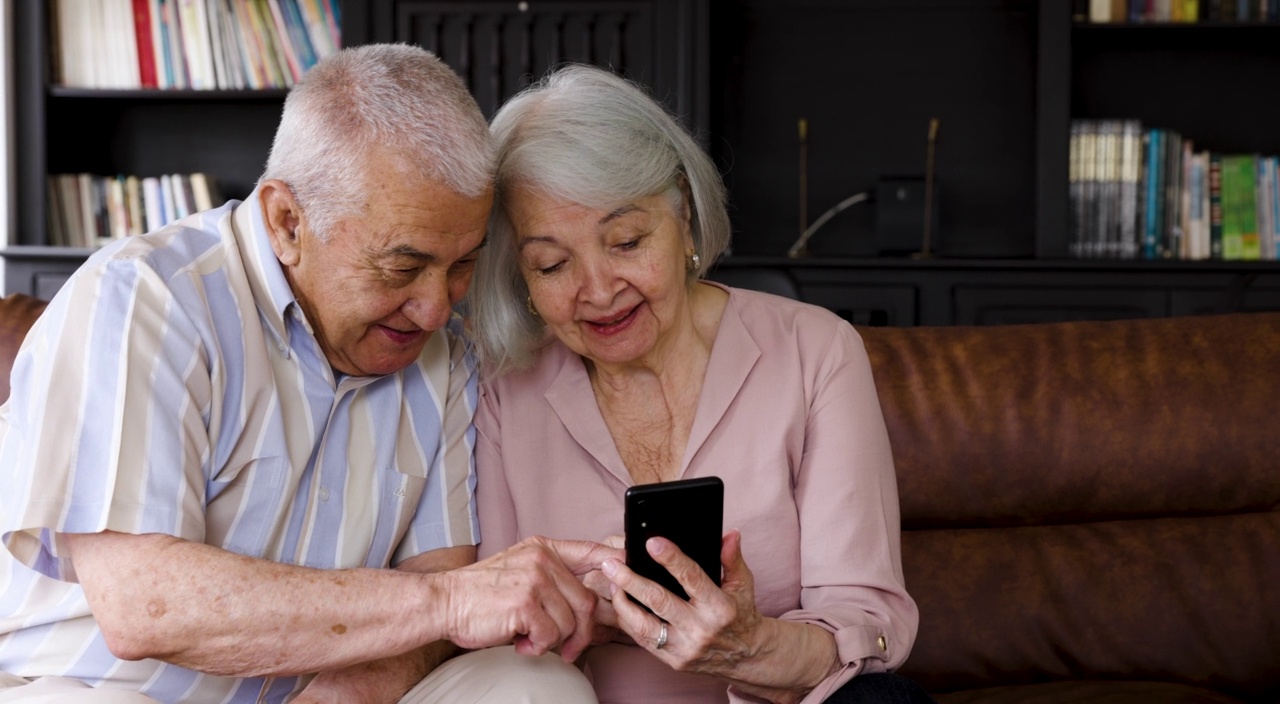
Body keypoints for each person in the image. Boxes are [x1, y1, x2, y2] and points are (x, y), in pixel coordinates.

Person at [0, 44, 613, 704]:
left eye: (462, 264)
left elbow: (438, 599)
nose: (437, 307)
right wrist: (449, 600)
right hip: (90, 686)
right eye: (402, 268)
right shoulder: (142, 299)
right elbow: (145, 606)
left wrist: (350, 692)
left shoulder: (446, 353)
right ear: (287, 221)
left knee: (533, 683)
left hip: (316, 691)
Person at [467, 65, 933, 704]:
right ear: (519, 273)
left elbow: (872, 622)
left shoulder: (815, 352)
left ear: (683, 215)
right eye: (551, 263)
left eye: (627, 242)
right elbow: (498, 627)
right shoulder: (501, 396)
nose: (599, 292)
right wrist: (593, 606)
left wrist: (749, 646)